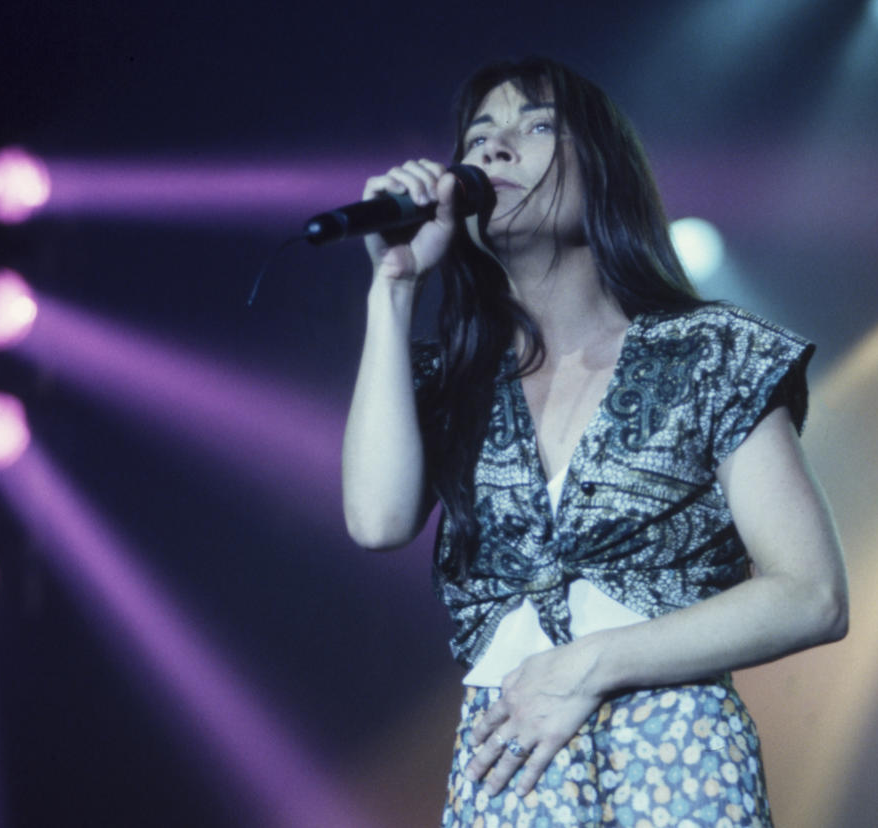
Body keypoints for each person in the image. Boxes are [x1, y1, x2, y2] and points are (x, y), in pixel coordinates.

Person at [342, 56, 848, 828]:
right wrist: (395, 286)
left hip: (672, 745)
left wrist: (588, 667)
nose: (495, 150)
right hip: (509, 759)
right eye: (478, 139)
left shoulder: (709, 353)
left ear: (605, 170)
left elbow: (810, 595)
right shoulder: (453, 380)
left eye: (536, 127)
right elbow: (376, 521)